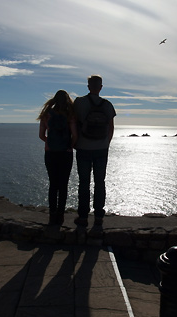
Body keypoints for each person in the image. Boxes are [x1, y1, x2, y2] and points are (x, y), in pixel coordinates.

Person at [73, 75, 116, 227]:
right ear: (101, 87)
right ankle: (99, 217)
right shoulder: (107, 105)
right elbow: (111, 128)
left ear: (88, 86)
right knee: (100, 183)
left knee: (84, 183)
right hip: (101, 149)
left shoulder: (79, 102)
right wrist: (106, 144)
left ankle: (83, 217)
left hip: (83, 148)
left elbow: (72, 122)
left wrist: (75, 141)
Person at [38, 90, 77, 225]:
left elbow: (41, 135)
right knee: (63, 185)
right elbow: (75, 135)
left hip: (50, 153)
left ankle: (52, 214)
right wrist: (70, 146)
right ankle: (61, 215)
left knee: (53, 184)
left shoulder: (47, 114)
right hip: (65, 153)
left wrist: (49, 143)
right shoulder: (70, 114)